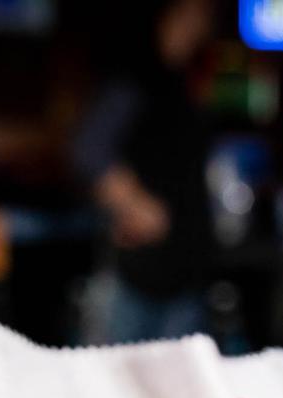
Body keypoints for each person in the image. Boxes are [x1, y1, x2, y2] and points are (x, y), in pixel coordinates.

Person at [72, 0, 215, 343]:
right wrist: (135, 204)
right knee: (112, 390)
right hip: (137, 280)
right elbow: (89, 150)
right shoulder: (139, 75)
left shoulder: (181, 81)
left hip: (185, 276)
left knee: (178, 394)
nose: (203, 23)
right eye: (196, 12)